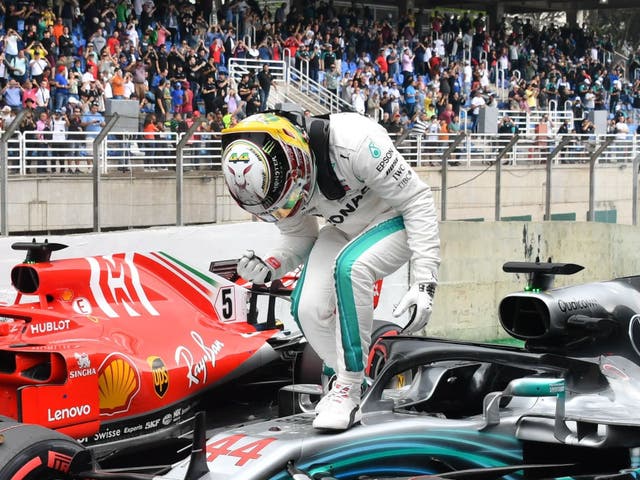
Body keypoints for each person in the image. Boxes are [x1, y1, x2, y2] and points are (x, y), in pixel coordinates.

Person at [220, 108, 440, 431]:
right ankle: (354, 382)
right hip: (344, 229)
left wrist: (425, 279)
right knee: (305, 307)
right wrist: (270, 267)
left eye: (288, 198)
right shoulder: (280, 183)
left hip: (395, 220)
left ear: (297, 158)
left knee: (350, 267)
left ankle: (349, 390)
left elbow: (418, 200)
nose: (288, 208)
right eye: (277, 207)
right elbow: (301, 235)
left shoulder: (356, 143)